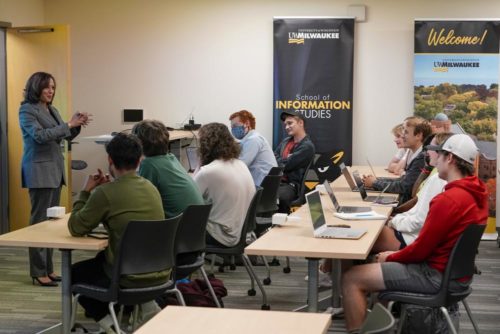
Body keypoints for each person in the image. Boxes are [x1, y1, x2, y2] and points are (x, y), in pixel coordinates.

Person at [342, 134, 488, 333]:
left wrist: (391, 257)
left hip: (434, 275)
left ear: (450, 159)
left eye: (441, 154)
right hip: (456, 277)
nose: (437, 161)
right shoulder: (477, 195)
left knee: (352, 278)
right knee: (376, 270)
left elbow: (420, 251)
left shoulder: (448, 200)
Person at [68, 133, 165, 333]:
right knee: (100, 259)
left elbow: (76, 227)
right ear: (140, 160)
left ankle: (109, 323)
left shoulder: (105, 193)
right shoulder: (152, 188)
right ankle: (147, 305)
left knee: (75, 272)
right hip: (161, 273)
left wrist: (86, 192)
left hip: (126, 277)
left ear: (110, 160)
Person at [19, 71, 91, 287]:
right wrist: (68, 124)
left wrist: (76, 125)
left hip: (54, 170)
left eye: (53, 87)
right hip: (39, 171)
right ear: (36, 88)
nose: (51, 91)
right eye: (47, 87)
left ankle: (48, 269)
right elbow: (40, 136)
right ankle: (38, 271)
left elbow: (65, 135)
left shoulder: (52, 109)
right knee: (38, 223)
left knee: (50, 223)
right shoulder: (26, 110)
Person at [371, 133, 452, 253]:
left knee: (369, 232)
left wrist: (392, 221)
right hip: (411, 232)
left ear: (444, 154)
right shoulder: (436, 175)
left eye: (430, 148)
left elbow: (419, 221)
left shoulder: (438, 179)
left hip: (411, 237)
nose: (427, 152)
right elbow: (417, 204)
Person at [194, 123, 255, 247]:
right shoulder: (240, 164)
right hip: (241, 233)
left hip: (222, 236)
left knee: (175, 224)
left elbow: (188, 198)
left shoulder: (209, 171)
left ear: (205, 146)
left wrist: (199, 164)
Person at [132, 119, 204, 218]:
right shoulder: (171, 158)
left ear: (138, 143)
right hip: (195, 225)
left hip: (177, 227)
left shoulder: (149, 164)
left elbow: (142, 202)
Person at [363, 116, 431, 204]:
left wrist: (375, 183)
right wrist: (377, 180)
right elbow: (403, 180)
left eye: (406, 132)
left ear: (418, 135)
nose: (402, 136)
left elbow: (404, 187)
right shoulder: (416, 154)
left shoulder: (421, 158)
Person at [274, 110, 315, 213]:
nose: (287, 127)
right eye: (285, 124)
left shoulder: (307, 146)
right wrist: (285, 159)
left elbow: (285, 166)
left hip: (290, 186)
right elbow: (272, 157)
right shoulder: (285, 141)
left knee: (275, 197)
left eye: (290, 123)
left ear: (301, 123)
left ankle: (279, 226)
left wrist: (282, 160)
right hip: (277, 181)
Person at [229, 110, 278, 186]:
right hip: (261, 185)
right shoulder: (249, 140)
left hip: (261, 187)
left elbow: (241, 165)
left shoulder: (254, 140)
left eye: (235, 126)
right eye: (232, 127)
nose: (233, 130)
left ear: (247, 123)